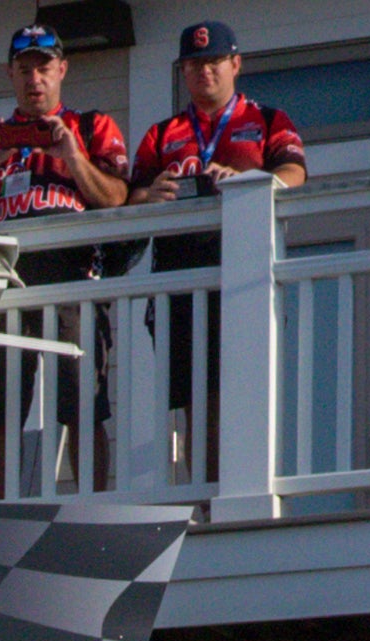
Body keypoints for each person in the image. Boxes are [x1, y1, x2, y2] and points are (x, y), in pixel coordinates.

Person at [0, 27, 129, 499]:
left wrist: (71, 155)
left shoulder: (90, 128)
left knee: (83, 406)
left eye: (44, 67)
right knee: (1, 411)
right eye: (25, 69)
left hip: (74, 278)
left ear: (62, 70)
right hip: (6, 285)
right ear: (10, 73)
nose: (35, 79)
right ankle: (3, 509)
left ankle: (88, 506)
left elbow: (115, 198)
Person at [129, 24, 303, 470]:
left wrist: (247, 183)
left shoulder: (266, 119)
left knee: (242, 387)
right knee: (195, 398)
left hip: (243, 268)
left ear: (235, 64)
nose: (203, 71)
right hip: (180, 275)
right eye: (193, 64)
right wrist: (153, 193)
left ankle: (242, 488)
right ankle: (207, 499)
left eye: (212, 61)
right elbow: (128, 201)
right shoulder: (162, 132)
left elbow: (295, 175)